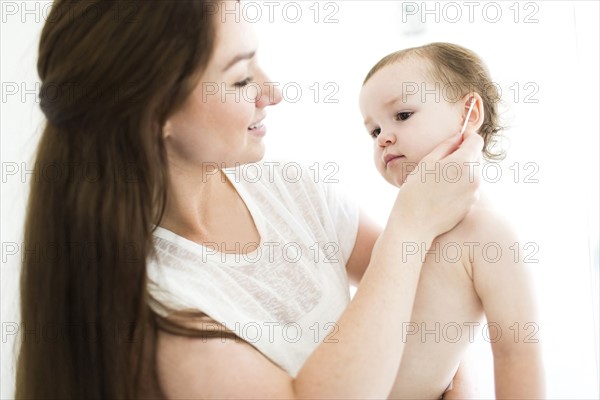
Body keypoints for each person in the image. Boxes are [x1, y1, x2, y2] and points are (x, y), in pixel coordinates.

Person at [16, 2, 484, 399]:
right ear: (155, 111)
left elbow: (424, 298)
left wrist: (449, 379)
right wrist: (411, 226)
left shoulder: (287, 189)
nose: (273, 93)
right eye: (241, 79)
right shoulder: (151, 310)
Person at [359, 42, 545, 399]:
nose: (383, 138)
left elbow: (516, 351)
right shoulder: (401, 229)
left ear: (469, 114)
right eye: (373, 131)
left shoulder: (487, 232)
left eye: (401, 115)